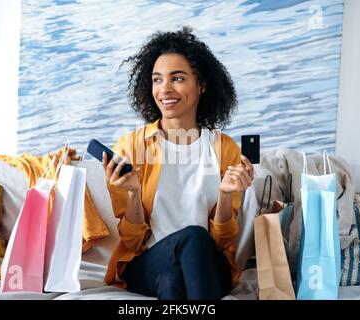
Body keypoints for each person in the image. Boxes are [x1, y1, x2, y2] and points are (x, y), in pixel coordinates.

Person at [102, 26, 254, 300]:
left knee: (177, 276)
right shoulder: (132, 147)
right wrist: (134, 193)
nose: (165, 89)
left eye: (178, 78)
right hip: (150, 261)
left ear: (202, 85)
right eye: (157, 80)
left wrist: (224, 194)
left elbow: (221, 242)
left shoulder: (224, 149)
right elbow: (132, 241)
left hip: (206, 263)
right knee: (192, 238)